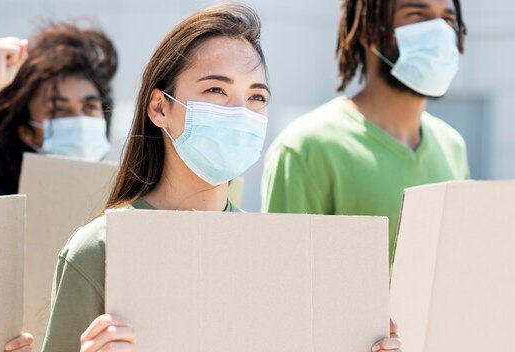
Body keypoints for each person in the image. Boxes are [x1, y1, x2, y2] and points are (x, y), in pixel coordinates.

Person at [41, 5, 402, 352]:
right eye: (216, 90)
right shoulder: (98, 250)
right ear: (160, 107)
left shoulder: (274, 254)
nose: (240, 112)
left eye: (256, 96)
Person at [262, 0, 470, 266]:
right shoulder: (306, 148)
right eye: (417, 15)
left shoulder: (452, 145)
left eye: (448, 20)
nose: (439, 31)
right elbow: (285, 282)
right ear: (367, 31)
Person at [0, 22, 117, 201]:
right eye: (59, 109)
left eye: (90, 107)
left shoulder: (118, 202)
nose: (80, 120)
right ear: (27, 132)